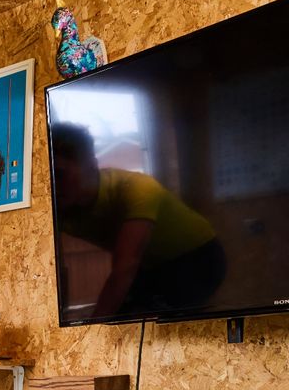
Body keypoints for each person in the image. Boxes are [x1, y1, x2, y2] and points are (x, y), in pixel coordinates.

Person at [50, 123, 225, 318]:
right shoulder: (61, 206)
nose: (53, 186)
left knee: (147, 319)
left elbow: (125, 267)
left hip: (199, 258)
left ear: (91, 165)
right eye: (49, 177)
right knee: (124, 317)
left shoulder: (137, 188)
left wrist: (93, 330)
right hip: (148, 264)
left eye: (60, 174)